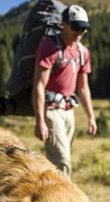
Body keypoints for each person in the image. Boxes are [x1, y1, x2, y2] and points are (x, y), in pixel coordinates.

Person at [33, 4, 97, 177]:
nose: (80, 33)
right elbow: (39, 84)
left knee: (60, 161)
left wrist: (91, 117)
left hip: (69, 111)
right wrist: (40, 120)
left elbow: (83, 88)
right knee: (61, 160)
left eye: (84, 29)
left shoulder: (82, 52)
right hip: (51, 110)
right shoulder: (49, 46)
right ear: (64, 24)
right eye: (76, 28)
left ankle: (50, 197)